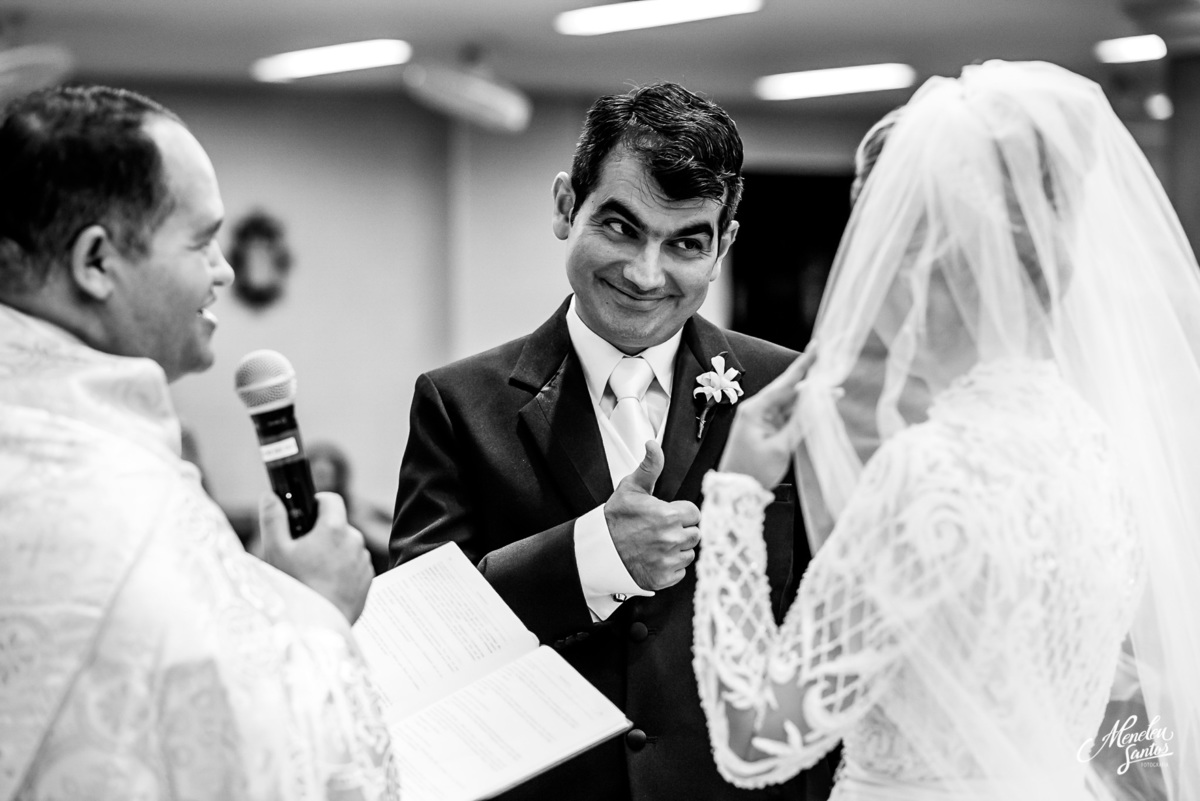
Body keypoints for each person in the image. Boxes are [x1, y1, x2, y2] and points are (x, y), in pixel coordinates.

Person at [692, 60, 1200, 801]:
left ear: (922, 264)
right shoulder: (1098, 448)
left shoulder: (930, 473)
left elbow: (754, 740)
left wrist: (736, 495)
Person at [391, 82, 833, 800]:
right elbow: (421, 641)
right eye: (622, 227)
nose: (645, 273)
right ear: (567, 206)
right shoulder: (458, 403)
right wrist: (591, 554)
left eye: (685, 241)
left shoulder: (785, 390)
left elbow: (825, 632)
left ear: (724, 245)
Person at [0, 85, 398, 799]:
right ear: (96, 262)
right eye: (199, 240)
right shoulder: (124, 507)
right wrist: (313, 608)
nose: (225, 270)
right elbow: (259, 753)